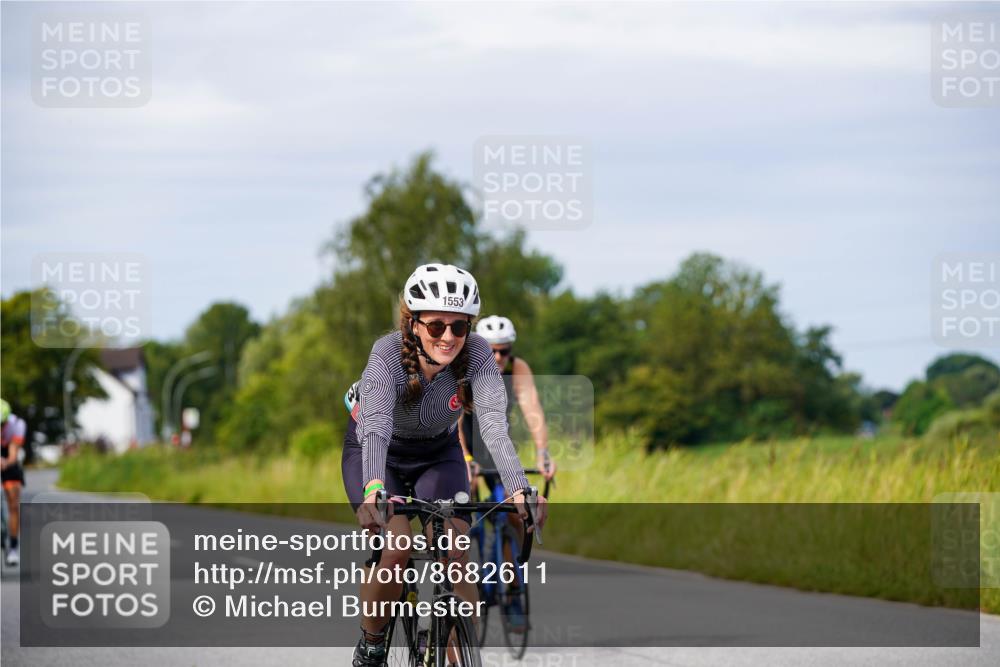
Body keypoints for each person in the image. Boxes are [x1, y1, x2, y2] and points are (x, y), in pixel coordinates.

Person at [342, 263, 548, 667]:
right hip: (377, 452)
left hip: (438, 453)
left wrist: (520, 487)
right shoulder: (386, 354)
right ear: (413, 323)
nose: (449, 337)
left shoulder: (477, 354)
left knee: (456, 550)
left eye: (460, 327)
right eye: (437, 326)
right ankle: (372, 641)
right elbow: (378, 426)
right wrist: (372, 489)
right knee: (397, 548)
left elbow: (492, 423)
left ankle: (459, 657)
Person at [459, 315, 555, 631]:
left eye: (504, 351)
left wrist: (542, 453)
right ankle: (465, 583)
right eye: (492, 351)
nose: (498, 358)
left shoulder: (518, 368)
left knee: (514, 513)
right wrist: (466, 458)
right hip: (466, 443)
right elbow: (456, 420)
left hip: (499, 444)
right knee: (462, 510)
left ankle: (512, 592)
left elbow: (533, 411)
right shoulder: (463, 367)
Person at [1, 399, 26, 567]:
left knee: (13, 502)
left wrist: (5, 462)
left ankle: (13, 548)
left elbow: (13, 455)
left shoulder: (17, 424)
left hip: (8, 455)